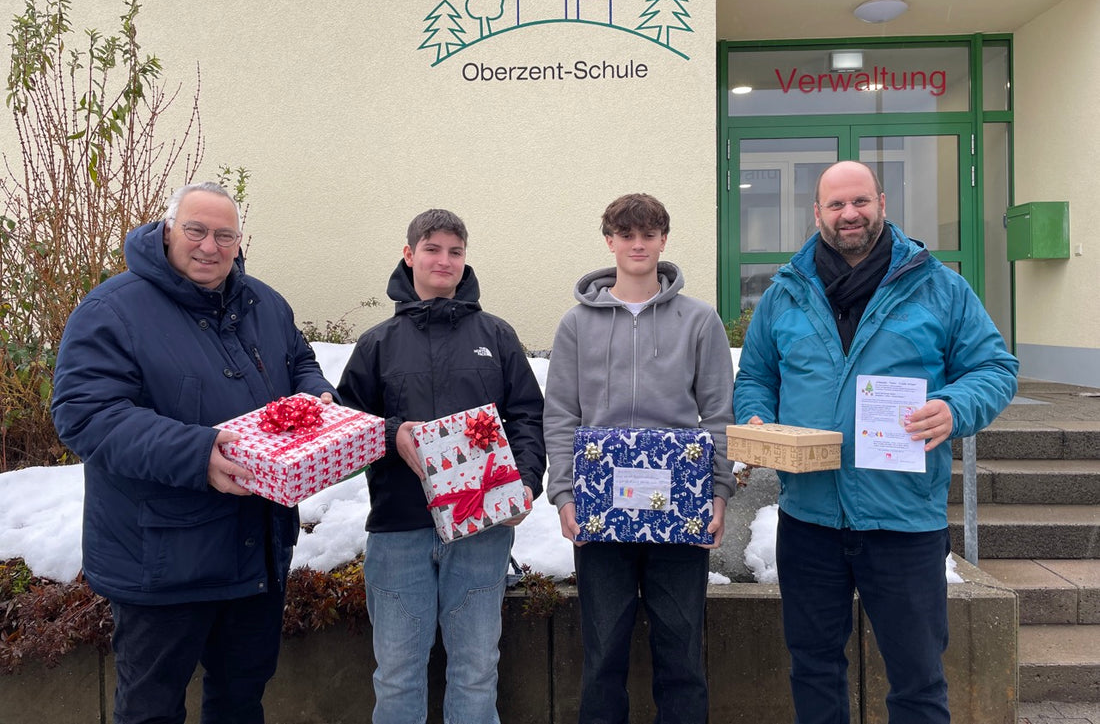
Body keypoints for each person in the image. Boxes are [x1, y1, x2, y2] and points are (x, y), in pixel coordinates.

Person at [734, 160, 1019, 724]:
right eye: (835, 205)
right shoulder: (786, 293)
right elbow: (757, 376)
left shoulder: (939, 287)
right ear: (817, 213)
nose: (849, 214)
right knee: (813, 667)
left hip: (903, 520)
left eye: (859, 201)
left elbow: (995, 367)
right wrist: (758, 420)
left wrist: (955, 407)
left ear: (882, 204)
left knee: (916, 677)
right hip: (809, 516)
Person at [51, 181, 337, 724]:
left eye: (224, 235)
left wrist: (314, 392)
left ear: (239, 240)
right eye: (196, 230)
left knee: (240, 701)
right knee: (151, 710)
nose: (210, 246)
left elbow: (298, 358)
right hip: (162, 560)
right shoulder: (113, 309)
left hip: (257, 549)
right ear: (166, 231)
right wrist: (196, 452)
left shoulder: (265, 303)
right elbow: (84, 413)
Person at [336, 208, 545, 724]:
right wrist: (391, 434)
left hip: (482, 530)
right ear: (409, 256)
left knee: (476, 671)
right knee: (397, 675)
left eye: (455, 251)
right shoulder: (377, 343)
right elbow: (345, 427)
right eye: (432, 249)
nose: (443, 260)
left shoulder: (496, 336)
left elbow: (526, 417)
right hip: (399, 530)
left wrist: (522, 484)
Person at [543, 192, 735, 724]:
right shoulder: (575, 324)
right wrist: (563, 495)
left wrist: (718, 494)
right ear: (609, 241)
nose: (638, 244)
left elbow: (719, 414)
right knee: (602, 655)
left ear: (664, 241)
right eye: (626, 235)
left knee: (682, 654)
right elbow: (560, 414)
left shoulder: (700, 321)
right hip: (601, 511)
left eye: (648, 234)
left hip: (680, 509)